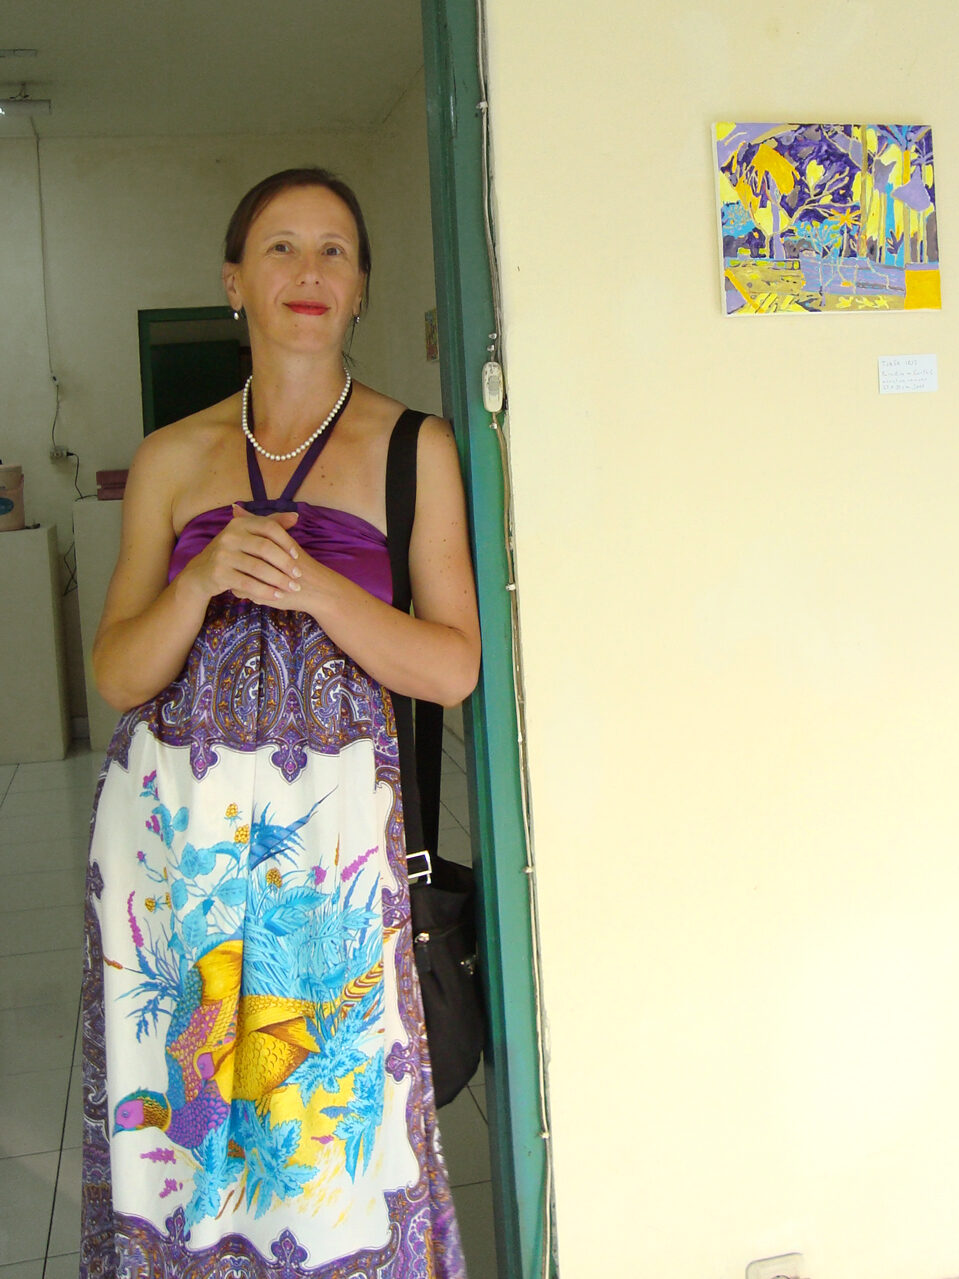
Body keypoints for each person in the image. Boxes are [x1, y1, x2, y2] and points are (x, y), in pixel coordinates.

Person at [80, 168, 480, 1279]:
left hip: (331, 873)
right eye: (280, 248)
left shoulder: (415, 450)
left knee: (327, 1146)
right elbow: (117, 670)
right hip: (174, 860)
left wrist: (320, 590)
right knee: (190, 1129)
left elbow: (451, 666)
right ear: (234, 284)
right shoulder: (171, 457)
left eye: (335, 252)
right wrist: (202, 575)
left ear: (359, 291)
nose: (308, 271)